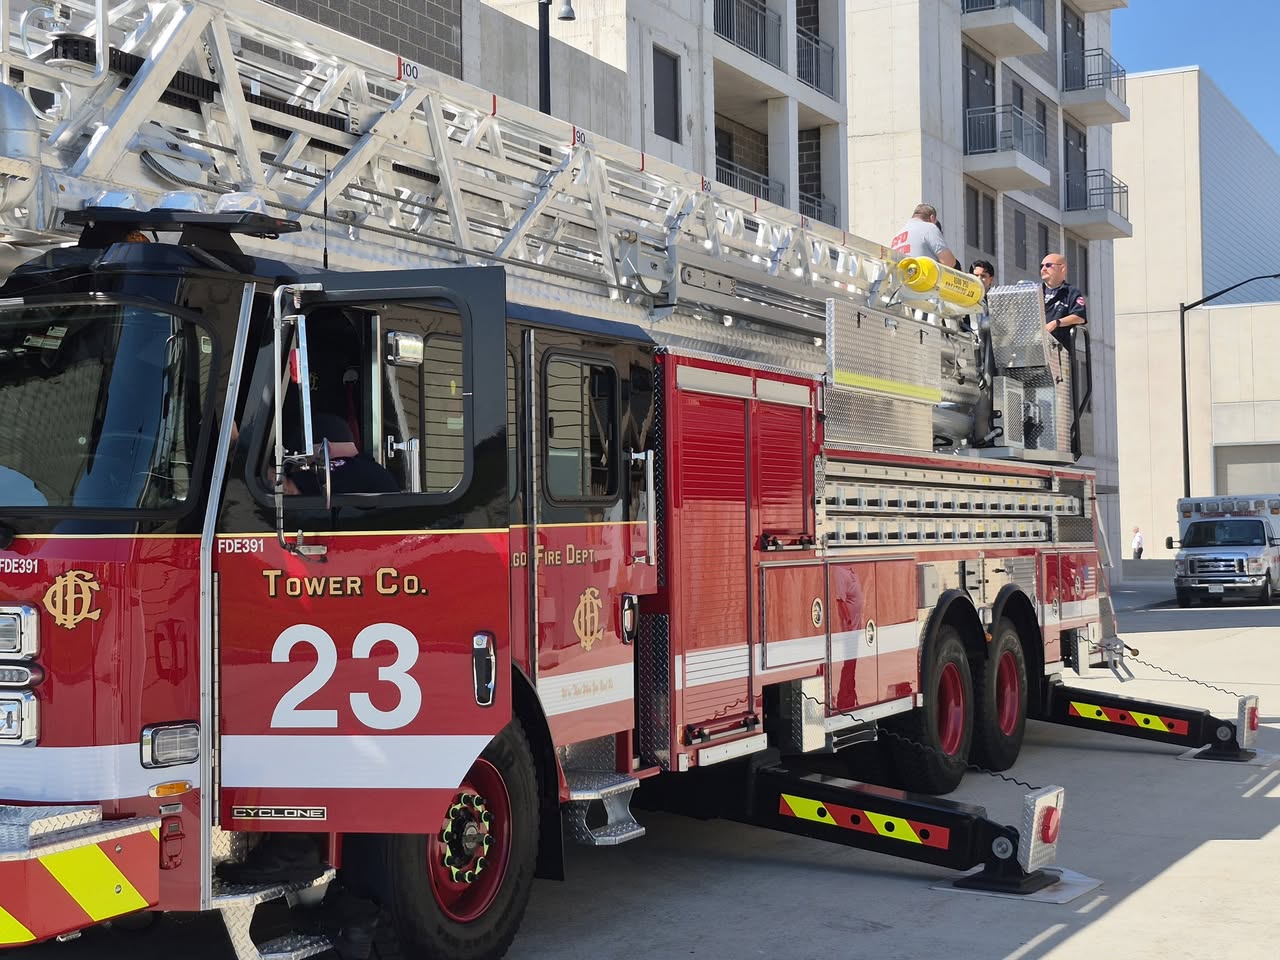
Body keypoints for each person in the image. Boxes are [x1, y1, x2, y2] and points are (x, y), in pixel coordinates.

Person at [284, 413, 400, 496]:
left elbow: (289, 489)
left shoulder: (347, 469)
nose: (302, 465)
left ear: (323, 449)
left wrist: (278, 474)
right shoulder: (366, 468)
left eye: (302, 457)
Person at [1039, 253, 1087, 350]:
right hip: (1035, 347)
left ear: (1062, 268)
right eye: (1042, 266)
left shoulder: (1071, 292)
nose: (1043, 269)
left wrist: (1056, 323)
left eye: (1048, 265)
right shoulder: (1036, 291)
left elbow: (1079, 317)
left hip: (1059, 349)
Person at [890, 203, 959, 268]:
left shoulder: (897, 236)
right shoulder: (929, 227)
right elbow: (949, 262)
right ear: (932, 218)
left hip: (901, 274)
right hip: (921, 275)